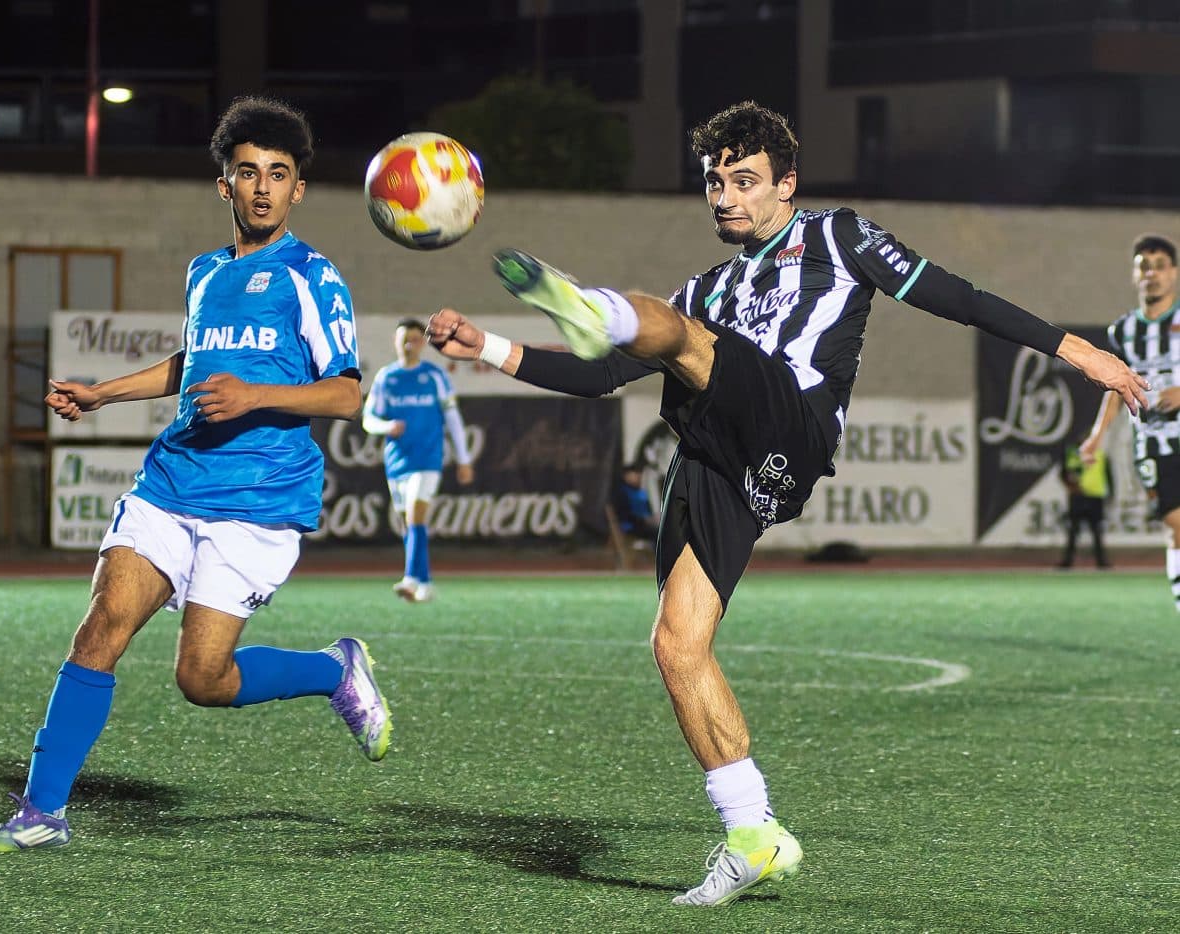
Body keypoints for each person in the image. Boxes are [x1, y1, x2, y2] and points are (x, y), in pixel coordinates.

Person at [427, 100, 1148, 907]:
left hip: (790, 424)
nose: (726, 197)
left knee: (679, 335)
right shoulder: (707, 285)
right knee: (676, 645)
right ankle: (753, 834)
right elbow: (598, 378)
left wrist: (1074, 350)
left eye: (744, 181)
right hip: (716, 455)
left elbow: (956, 296)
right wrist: (486, 348)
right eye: (715, 183)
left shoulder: (837, 236)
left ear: (786, 185)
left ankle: (605, 310)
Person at [0, 96, 392, 853]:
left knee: (203, 679)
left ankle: (332, 671)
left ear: (297, 190)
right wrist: (105, 392)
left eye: (279, 175)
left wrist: (256, 394)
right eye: (247, 172)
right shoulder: (204, 272)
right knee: (100, 628)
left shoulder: (312, 276)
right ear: (223, 185)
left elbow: (348, 394)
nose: (262, 187)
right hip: (172, 480)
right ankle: (42, 811)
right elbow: (191, 365)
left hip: (256, 501)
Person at [1082, 234, 1180, 607]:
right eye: (1144, 266)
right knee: (1177, 525)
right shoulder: (1122, 331)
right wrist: (1096, 437)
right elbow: (1114, 387)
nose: (1151, 274)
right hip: (1154, 444)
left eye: (1159, 266)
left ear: (1173, 273)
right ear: (1135, 275)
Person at [362, 317, 475, 602]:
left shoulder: (434, 376)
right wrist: (386, 427)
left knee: (415, 516)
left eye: (414, 339)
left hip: (428, 459)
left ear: (422, 343)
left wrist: (463, 458)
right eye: (403, 339)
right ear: (396, 342)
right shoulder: (386, 377)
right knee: (408, 524)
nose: (408, 344)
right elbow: (368, 419)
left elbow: (453, 419)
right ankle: (425, 583)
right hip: (397, 461)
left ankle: (410, 580)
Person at [1057, 436, 1112, 570]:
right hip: (1078, 497)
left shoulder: (1101, 454)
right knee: (1073, 531)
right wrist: (1071, 486)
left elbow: (1109, 476)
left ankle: (1101, 561)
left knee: (1097, 531)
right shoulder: (1072, 453)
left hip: (1095, 497)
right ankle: (1067, 561)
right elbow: (1064, 472)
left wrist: (1111, 494)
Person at [612, 463, 659, 545]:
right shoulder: (622, 493)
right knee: (659, 533)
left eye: (638, 474)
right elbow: (624, 514)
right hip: (632, 526)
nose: (638, 477)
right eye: (635, 474)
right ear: (626, 476)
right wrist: (643, 520)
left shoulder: (641, 491)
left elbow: (649, 510)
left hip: (647, 523)